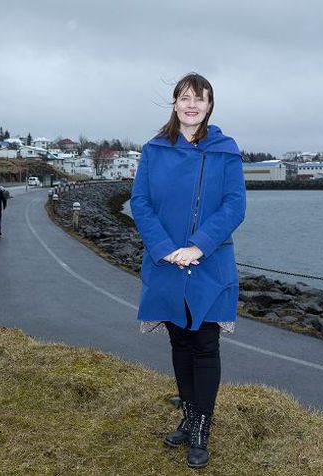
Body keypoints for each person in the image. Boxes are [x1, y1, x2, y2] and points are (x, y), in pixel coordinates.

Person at [130, 72, 246, 469]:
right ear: (175, 103)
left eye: (200, 98)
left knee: (205, 343)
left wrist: (198, 245)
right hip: (167, 264)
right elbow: (140, 202)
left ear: (210, 105)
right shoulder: (154, 149)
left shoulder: (226, 150)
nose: (192, 104)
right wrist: (167, 250)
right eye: (185, 97)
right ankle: (189, 415)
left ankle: (202, 430)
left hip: (210, 261)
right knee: (179, 342)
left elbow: (234, 205)